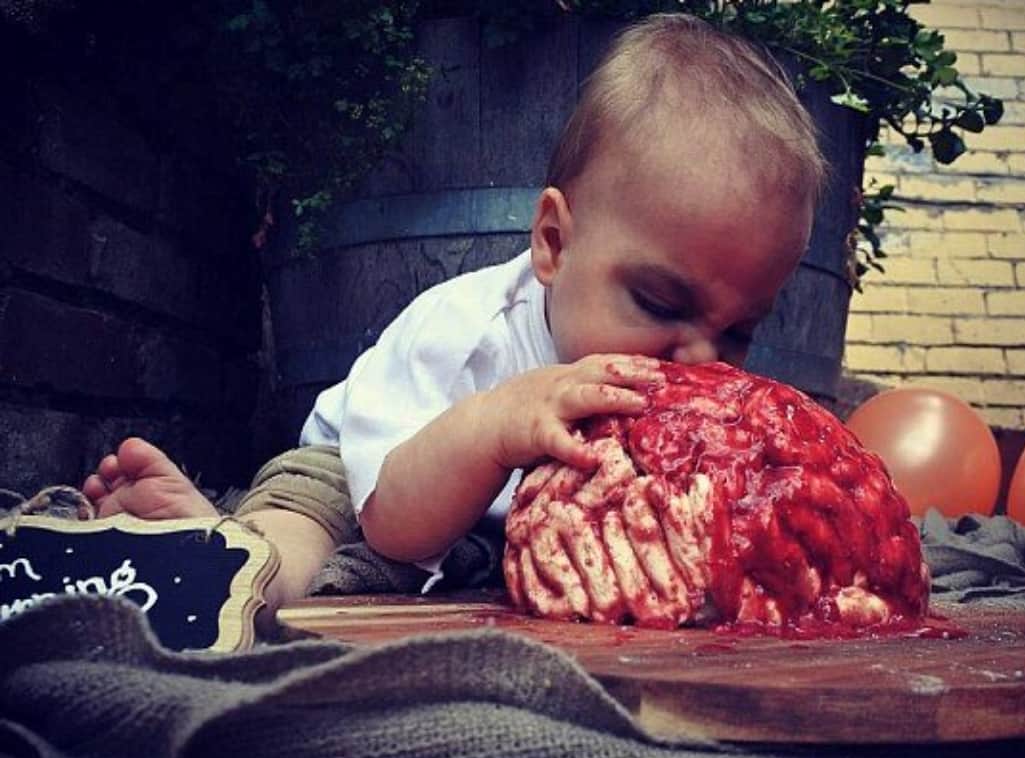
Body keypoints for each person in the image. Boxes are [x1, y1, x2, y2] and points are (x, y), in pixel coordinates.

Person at [82, 13, 826, 628]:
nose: (699, 359)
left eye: (739, 332)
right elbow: (392, 524)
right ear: (554, 242)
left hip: (483, 536)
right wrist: (496, 426)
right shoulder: (467, 332)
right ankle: (226, 561)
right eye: (661, 304)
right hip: (371, 479)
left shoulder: (671, 386)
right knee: (308, 540)